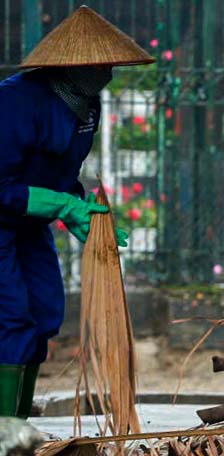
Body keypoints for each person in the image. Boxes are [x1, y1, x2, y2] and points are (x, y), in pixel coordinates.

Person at [0, 6, 154, 417]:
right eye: (97, 64)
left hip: (30, 225)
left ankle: (19, 420)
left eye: (109, 64)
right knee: (11, 317)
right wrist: (64, 205)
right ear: (70, 65)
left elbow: (64, 174)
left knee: (44, 311)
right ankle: (5, 430)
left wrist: (85, 215)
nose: (106, 72)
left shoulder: (88, 106)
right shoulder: (15, 101)